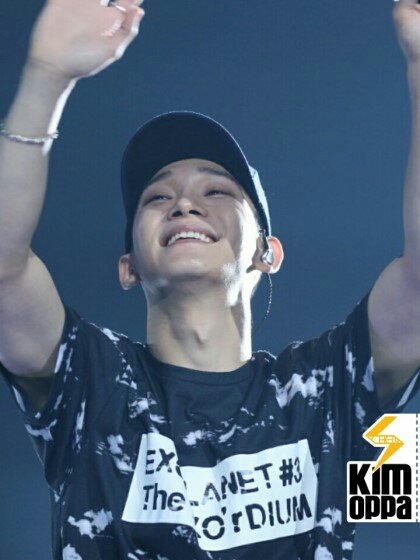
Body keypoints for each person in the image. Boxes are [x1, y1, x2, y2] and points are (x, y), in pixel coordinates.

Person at [0, 0, 419, 559]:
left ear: (268, 253)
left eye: (217, 190)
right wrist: (45, 79)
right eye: (157, 197)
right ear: (128, 266)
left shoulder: (326, 390)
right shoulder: (91, 384)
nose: (184, 204)